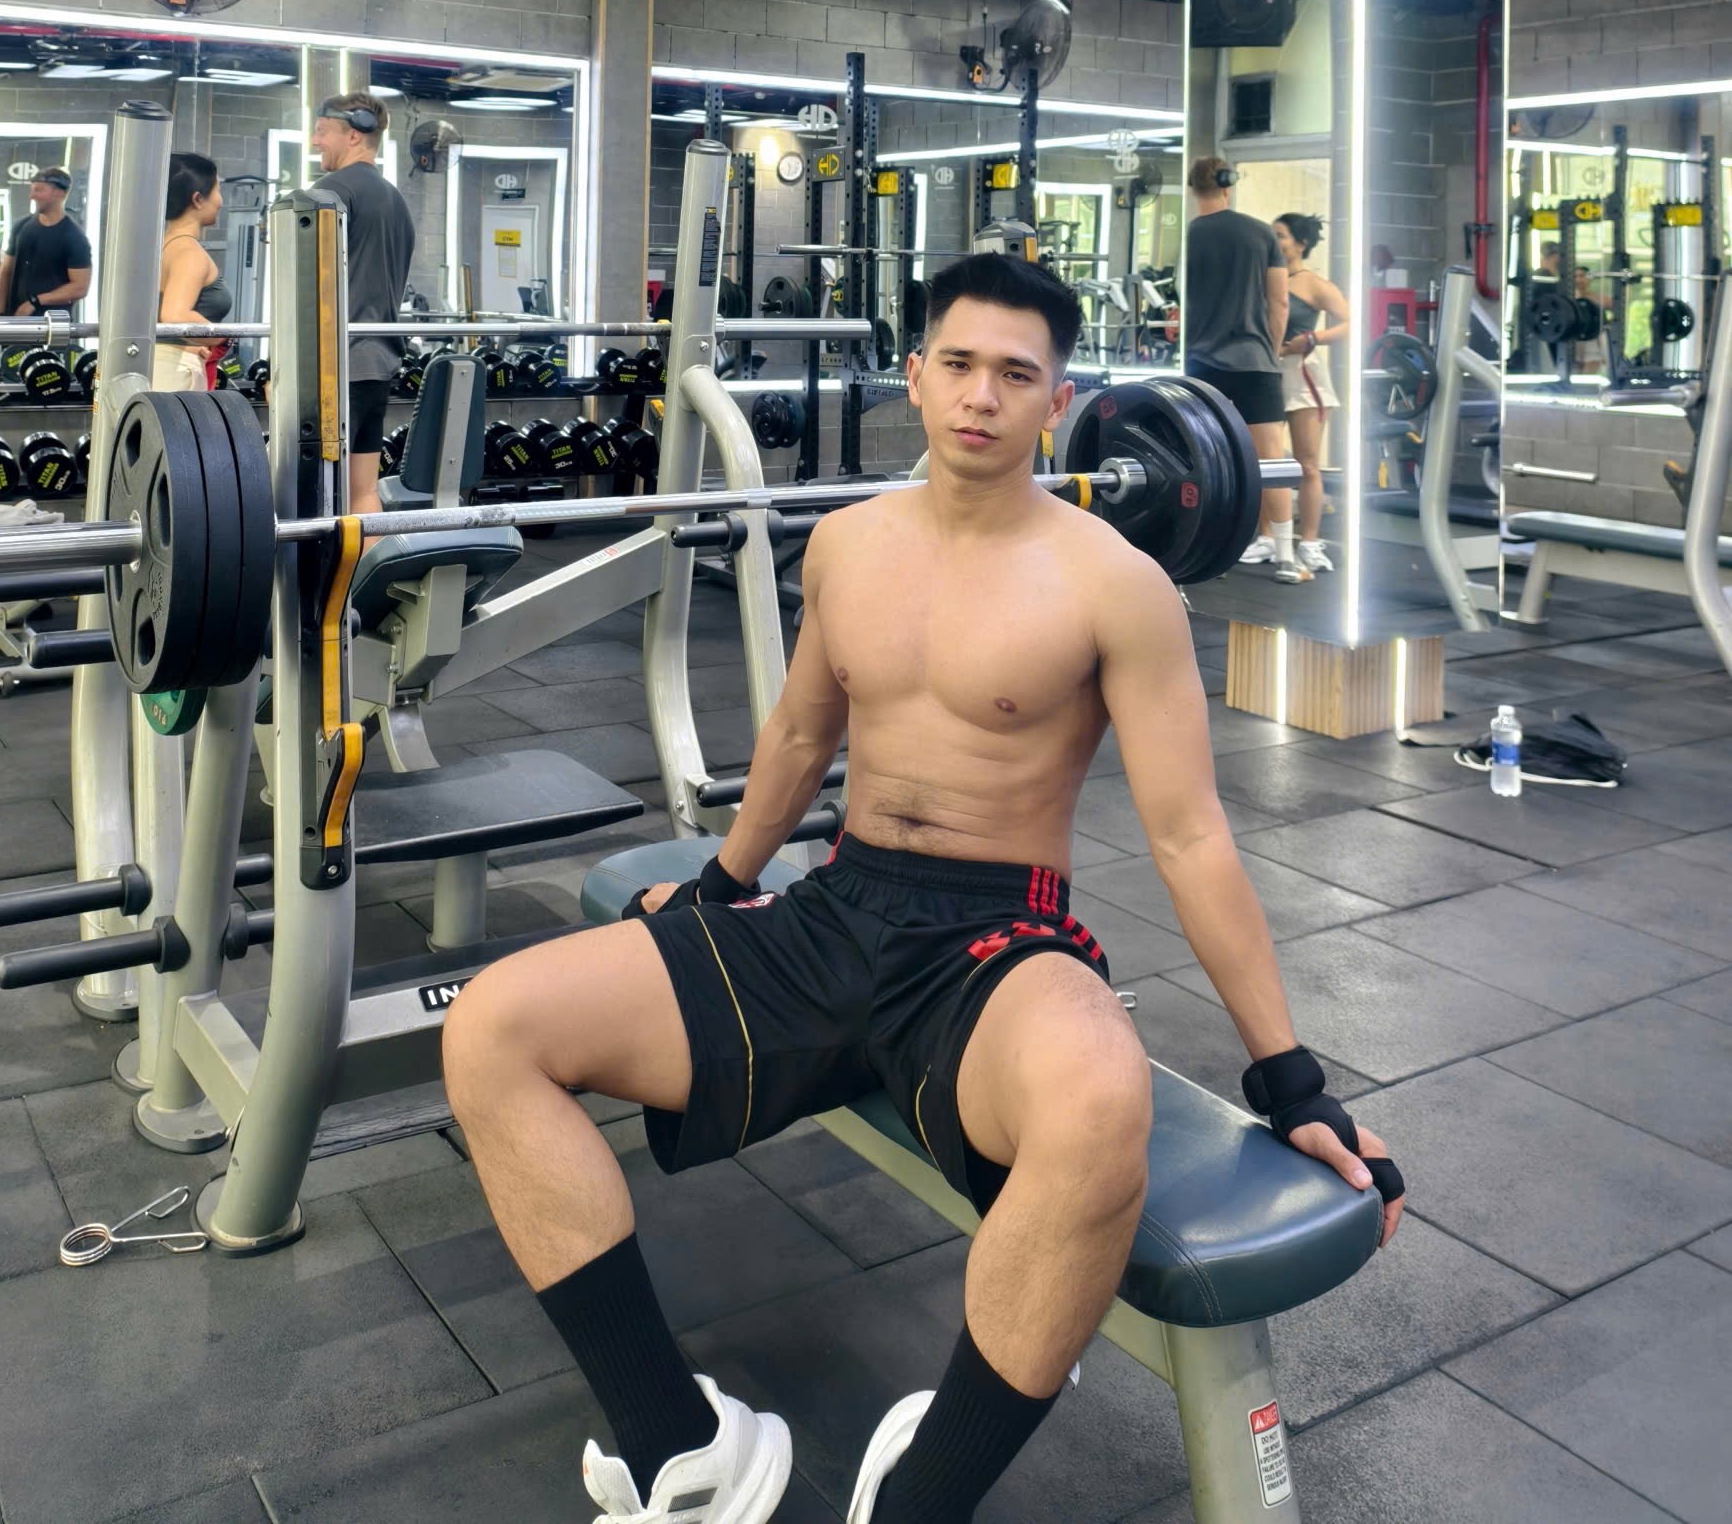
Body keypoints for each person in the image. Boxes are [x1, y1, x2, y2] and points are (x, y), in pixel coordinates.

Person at [439, 252, 1402, 1524]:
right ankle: (680, 1448)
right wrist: (723, 883)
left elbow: (1191, 837)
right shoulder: (846, 545)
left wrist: (1291, 1079)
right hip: (836, 909)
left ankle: (924, 1495)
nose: (981, 396)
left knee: (1099, 1101)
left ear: (1059, 401)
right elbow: (799, 735)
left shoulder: (1117, 584)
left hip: (996, 942)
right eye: (958, 363)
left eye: (1016, 374)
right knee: (491, 1028)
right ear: (915, 375)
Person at [1180, 157, 1303, 581]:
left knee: (1203, 461)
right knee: (1270, 459)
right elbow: (1279, 301)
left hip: (1199, 364)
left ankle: (1205, 555)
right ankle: (1286, 557)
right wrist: (1270, 349)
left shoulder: (1188, 235)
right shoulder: (1260, 232)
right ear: (1227, 185)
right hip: (1253, 363)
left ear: (1193, 189)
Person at [310, 93, 414, 512]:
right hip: (376, 366)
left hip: (334, 369)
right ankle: (369, 559)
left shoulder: (331, 191)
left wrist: (285, 369)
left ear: (354, 135)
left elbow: (308, 288)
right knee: (363, 492)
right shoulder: (396, 200)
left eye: (322, 131)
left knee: (316, 500)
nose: (314, 141)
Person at [1253, 212, 1348, 580]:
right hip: (1266, 372)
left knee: (1307, 464)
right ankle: (1267, 537)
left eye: (1281, 235)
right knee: (1264, 462)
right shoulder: (1264, 278)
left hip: (1303, 375)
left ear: (1301, 243)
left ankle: (1309, 542)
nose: (1275, 241)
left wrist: (1313, 338)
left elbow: (1350, 322)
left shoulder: (1314, 284)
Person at [152, 153, 229, 392]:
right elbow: (175, 316)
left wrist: (197, 341)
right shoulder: (188, 252)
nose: (220, 201)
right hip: (176, 376)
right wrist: (222, 338)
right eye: (217, 190)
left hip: (163, 366)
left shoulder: (160, 246)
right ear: (198, 199)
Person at [0, 168, 92, 319]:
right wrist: (0, 313)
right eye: (32, 190)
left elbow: (80, 287)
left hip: (53, 325)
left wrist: (35, 302)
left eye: (39, 190)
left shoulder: (74, 237)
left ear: (59, 193)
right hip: (15, 322)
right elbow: (6, 272)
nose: (32, 196)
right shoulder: (21, 227)